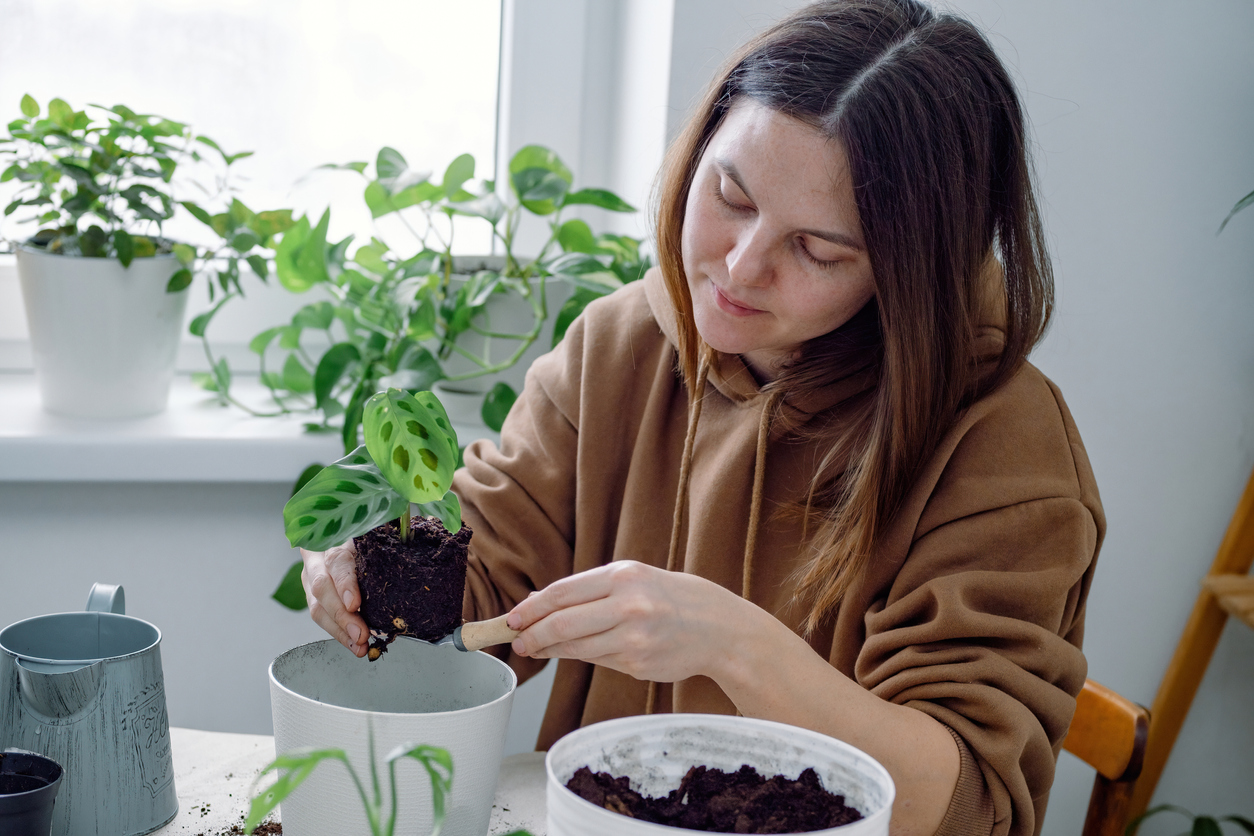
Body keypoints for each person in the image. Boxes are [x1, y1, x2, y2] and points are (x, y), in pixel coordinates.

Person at [300, 1, 1104, 834]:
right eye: (730, 194)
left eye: (819, 251)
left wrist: (732, 645)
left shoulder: (1002, 448)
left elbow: (967, 807)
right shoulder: (621, 344)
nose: (741, 266)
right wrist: (371, 574)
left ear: (910, 270)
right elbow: (487, 579)